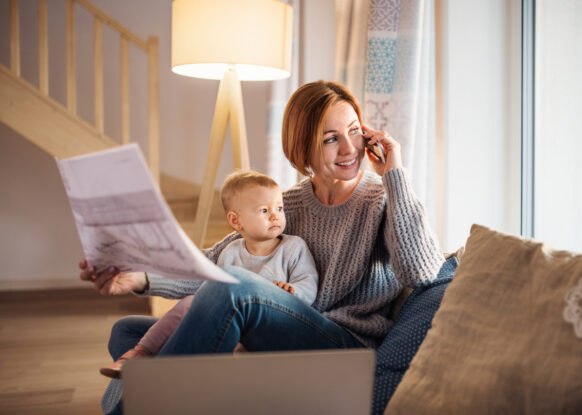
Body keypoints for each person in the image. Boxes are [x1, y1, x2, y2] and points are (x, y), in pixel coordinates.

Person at [79, 80, 445, 414]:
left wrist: (395, 175)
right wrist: (139, 278)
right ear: (302, 146)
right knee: (127, 332)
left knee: (236, 287)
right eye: (331, 138)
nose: (350, 148)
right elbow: (213, 264)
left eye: (353, 131)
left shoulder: (382, 199)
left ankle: (143, 408)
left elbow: (424, 273)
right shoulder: (285, 205)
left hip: (342, 344)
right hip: (279, 334)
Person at [97, 170, 319, 378]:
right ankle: (140, 353)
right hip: (231, 327)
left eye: (279, 209)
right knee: (170, 311)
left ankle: (164, 391)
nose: (275, 217)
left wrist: (295, 291)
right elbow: (212, 290)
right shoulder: (231, 252)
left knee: (237, 354)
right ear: (235, 221)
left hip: (269, 327)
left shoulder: (293, 247)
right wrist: (140, 276)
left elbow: (308, 283)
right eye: (264, 210)